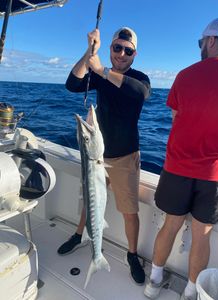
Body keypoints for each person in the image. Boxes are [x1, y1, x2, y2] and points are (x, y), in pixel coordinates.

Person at [57, 27, 150, 285]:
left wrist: (101, 70)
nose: (121, 53)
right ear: (109, 49)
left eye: (127, 50)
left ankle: (132, 255)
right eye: (116, 47)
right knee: (90, 201)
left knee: (129, 211)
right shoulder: (98, 75)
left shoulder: (139, 78)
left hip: (125, 157)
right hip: (95, 155)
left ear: (134, 54)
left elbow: (139, 94)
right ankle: (79, 235)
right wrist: (90, 52)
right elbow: (71, 84)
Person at [144, 16, 218, 300]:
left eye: (201, 42)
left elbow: (175, 116)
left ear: (211, 40)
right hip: (216, 174)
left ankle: (153, 282)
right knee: (202, 234)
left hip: (177, 168)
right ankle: (191, 293)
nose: (200, 46)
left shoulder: (185, 74)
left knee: (171, 224)